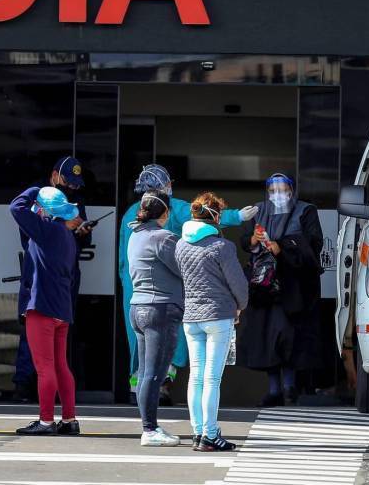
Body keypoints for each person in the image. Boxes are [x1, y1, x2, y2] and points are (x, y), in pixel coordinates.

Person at [118, 164, 257, 401]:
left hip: (135, 293)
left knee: (142, 344)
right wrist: (237, 217)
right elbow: (202, 215)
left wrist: (127, 286)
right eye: (167, 183)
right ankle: (156, 396)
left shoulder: (131, 215)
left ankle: (141, 392)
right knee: (169, 347)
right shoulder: (170, 212)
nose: (170, 186)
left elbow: (123, 261)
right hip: (164, 294)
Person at [237, 173, 324, 406]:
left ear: (291, 190)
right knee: (267, 338)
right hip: (264, 287)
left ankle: (290, 386)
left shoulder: (306, 211)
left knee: (290, 337)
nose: (278, 194)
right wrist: (255, 240)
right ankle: (274, 389)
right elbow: (244, 240)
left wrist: (282, 247)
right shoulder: (258, 210)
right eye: (272, 190)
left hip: (294, 286)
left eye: (282, 189)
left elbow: (314, 243)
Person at [14, 156, 92, 402]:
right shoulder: (41, 204)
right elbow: (25, 227)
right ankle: (25, 385)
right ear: (55, 175)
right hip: (39, 274)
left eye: (76, 185)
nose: (72, 189)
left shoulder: (67, 210)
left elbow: (17, 208)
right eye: (69, 182)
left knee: (53, 349)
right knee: (37, 341)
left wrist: (80, 232)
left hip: (61, 277)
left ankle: (47, 415)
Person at [175, 193, 248, 452]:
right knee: (212, 378)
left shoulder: (180, 245)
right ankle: (210, 434)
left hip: (191, 317)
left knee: (195, 377)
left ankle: (197, 433)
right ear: (215, 216)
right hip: (218, 316)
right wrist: (240, 306)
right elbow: (238, 284)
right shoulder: (222, 247)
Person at [10, 186, 82, 436]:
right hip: (62, 308)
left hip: (41, 307)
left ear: (43, 209)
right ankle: (69, 419)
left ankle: (46, 421)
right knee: (61, 365)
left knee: (45, 367)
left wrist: (34, 190)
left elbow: (16, 207)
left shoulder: (45, 230)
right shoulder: (66, 235)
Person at [127, 190, 184, 446]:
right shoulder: (164, 237)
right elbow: (184, 269)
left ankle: (149, 427)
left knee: (145, 372)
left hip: (138, 307)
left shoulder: (135, 235)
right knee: (154, 374)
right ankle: (149, 430)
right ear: (165, 213)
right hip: (160, 309)